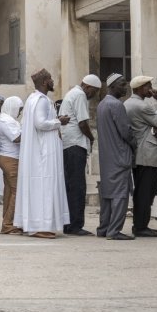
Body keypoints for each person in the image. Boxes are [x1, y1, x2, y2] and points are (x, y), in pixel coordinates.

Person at [15, 69, 70, 239]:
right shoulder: (41, 100)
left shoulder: (34, 99)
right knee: (45, 186)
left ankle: (37, 224)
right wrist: (58, 121)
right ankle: (41, 225)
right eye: (51, 79)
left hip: (41, 149)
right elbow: (40, 123)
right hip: (44, 152)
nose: (53, 81)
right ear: (45, 82)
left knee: (41, 186)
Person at [124, 75, 157, 237]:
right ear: (139, 88)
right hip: (147, 153)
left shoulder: (128, 103)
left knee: (142, 190)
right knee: (145, 191)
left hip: (138, 152)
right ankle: (141, 227)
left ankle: (140, 225)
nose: (151, 88)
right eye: (148, 85)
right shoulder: (142, 106)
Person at [59, 74, 101, 236]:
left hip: (68, 144)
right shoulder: (80, 95)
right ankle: (75, 225)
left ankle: (68, 224)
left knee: (70, 186)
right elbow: (83, 123)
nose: (94, 95)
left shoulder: (71, 93)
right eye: (95, 91)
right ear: (88, 87)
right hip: (76, 144)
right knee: (77, 186)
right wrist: (91, 138)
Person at [96, 74, 137, 240]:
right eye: (122, 84)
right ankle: (114, 231)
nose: (125, 88)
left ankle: (104, 228)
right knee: (120, 194)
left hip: (107, 157)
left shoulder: (101, 104)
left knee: (107, 194)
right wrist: (135, 143)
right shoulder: (116, 105)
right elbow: (125, 131)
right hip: (120, 156)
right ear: (112, 86)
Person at [0, 96, 24, 235]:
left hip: (9, 157)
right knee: (17, 191)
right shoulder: (6, 120)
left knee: (9, 191)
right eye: (19, 109)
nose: (19, 112)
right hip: (10, 158)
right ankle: (8, 224)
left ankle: (8, 221)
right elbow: (17, 138)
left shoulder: (8, 119)